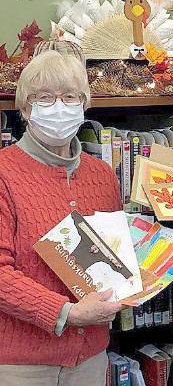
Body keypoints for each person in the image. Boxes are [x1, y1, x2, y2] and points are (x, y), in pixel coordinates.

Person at [0, 49, 124, 385]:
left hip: (90, 359)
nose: (59, 106)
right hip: (21, 366)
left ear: (84, 105)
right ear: (25, 108)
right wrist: (66, 313)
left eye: (70, 96)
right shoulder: (3, 173)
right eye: (45, 97)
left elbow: (113, 257)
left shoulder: (102, 175)